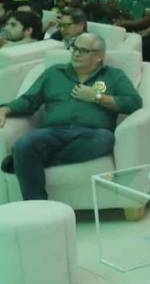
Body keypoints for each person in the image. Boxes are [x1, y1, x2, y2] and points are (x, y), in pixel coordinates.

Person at [0, 34, 141, 200]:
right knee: (24, 143)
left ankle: (23, 161)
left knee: (105, 139)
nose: (76, 54)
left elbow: (134, 103)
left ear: (98, 57)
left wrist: (97, 97)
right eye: (74, 48)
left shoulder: (114, 76)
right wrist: (6, 109)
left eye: (83, 50)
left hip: (92, 133)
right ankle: (37, 206)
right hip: (52, 131)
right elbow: (29, 100)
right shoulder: (54, 73)